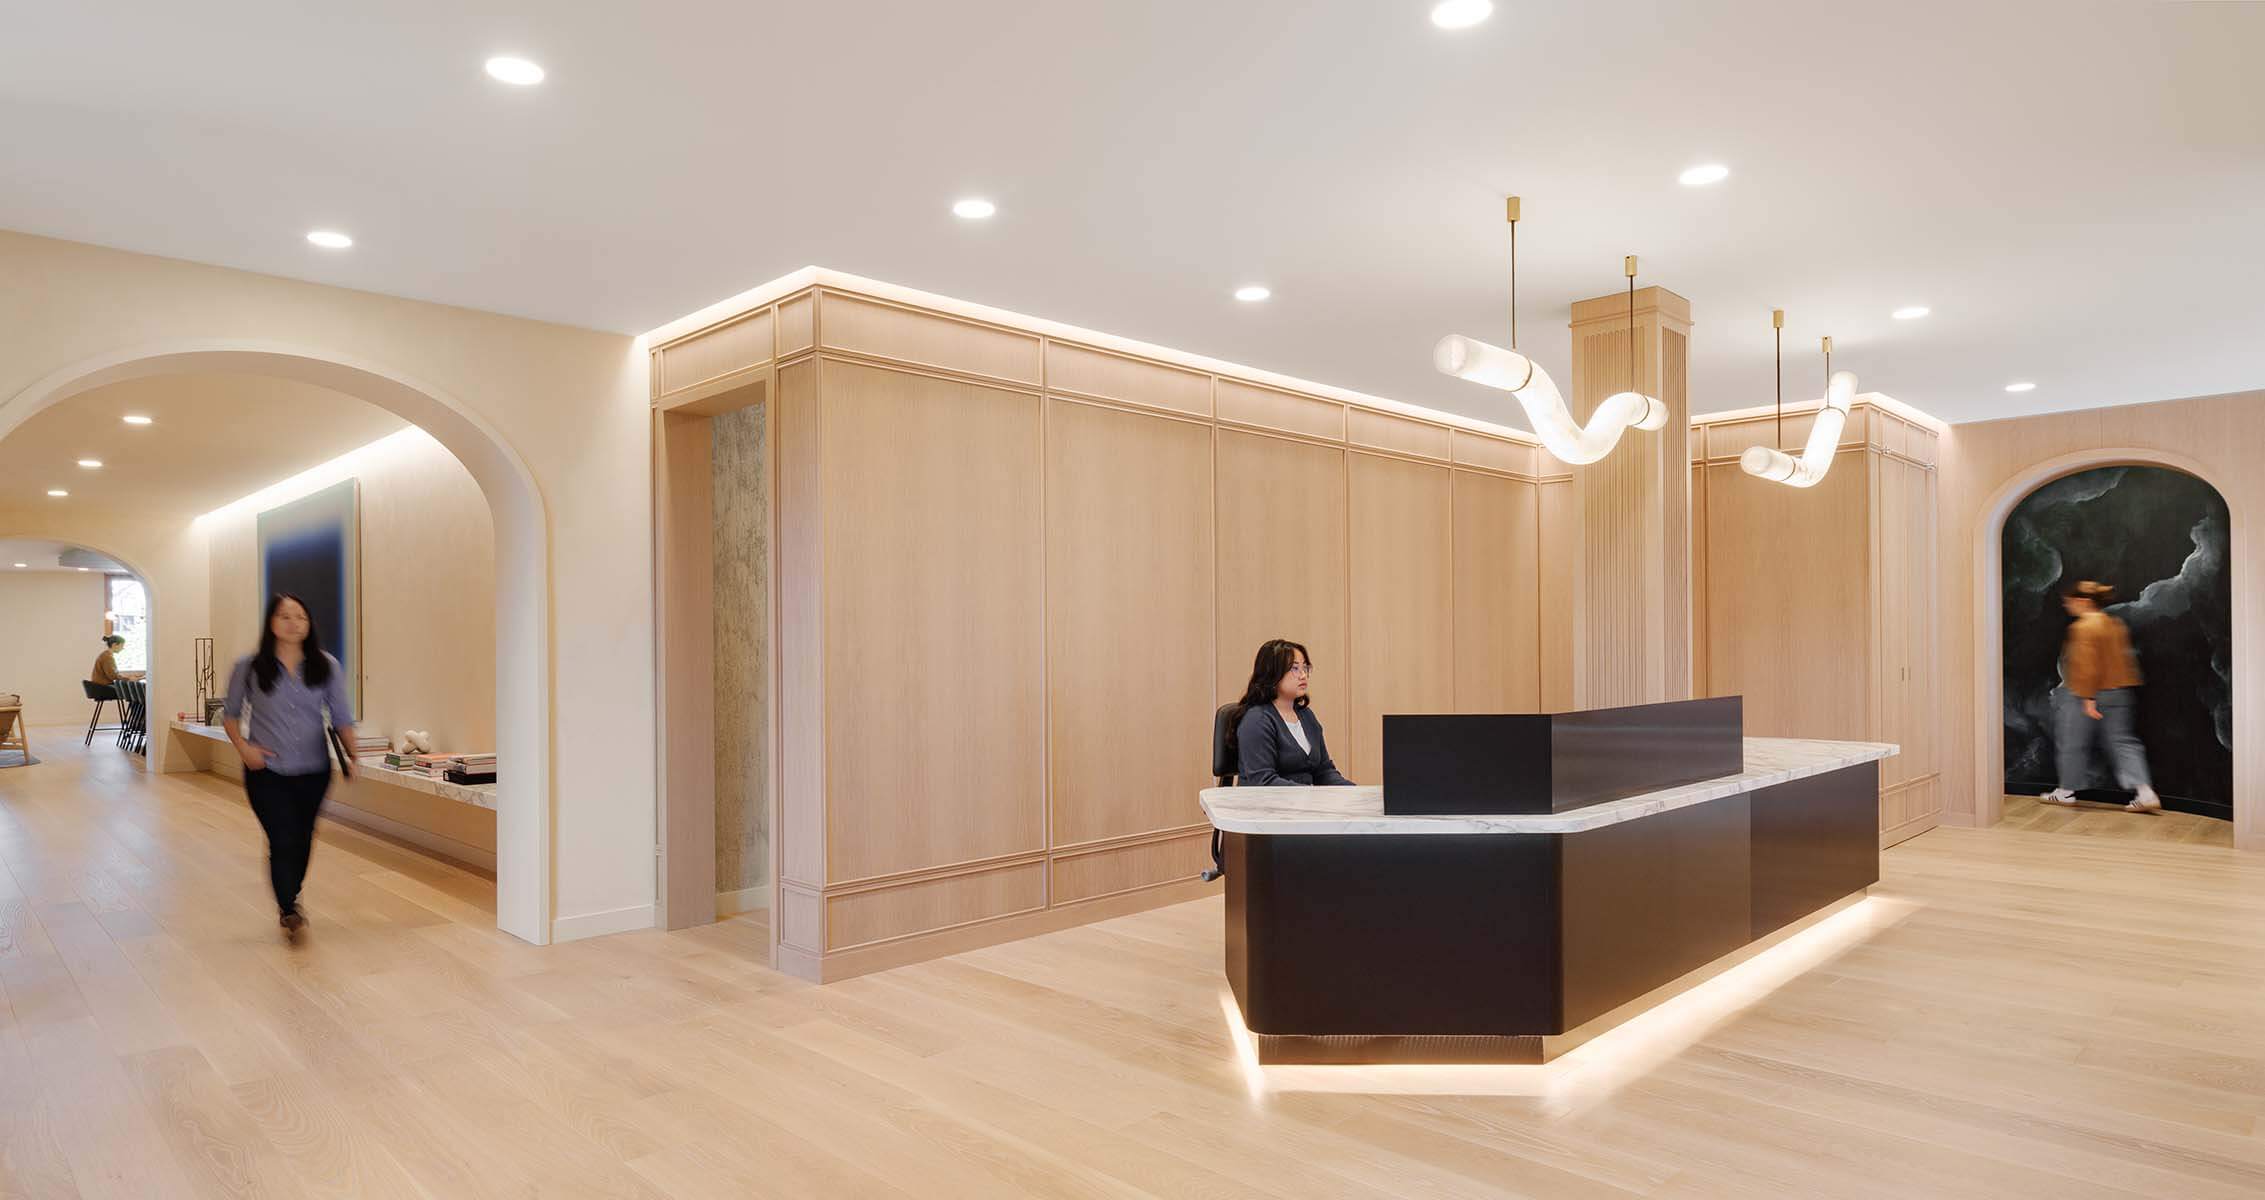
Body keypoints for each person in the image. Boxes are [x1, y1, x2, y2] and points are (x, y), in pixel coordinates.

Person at [221, 594, 357, 938]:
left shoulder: (326, 665)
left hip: (314, 770)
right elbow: (231, 714)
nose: (293, 622)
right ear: (271, 623)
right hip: (266, 771)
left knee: (304, 835)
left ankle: (290, 896)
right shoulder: (249, 666)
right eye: (284, 616)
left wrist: (353, 755)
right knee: (282, 837)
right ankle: (288, 908)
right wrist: (244, 749)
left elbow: (341, 717)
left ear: (309, 624)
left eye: (300, 616)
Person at [2042, 580, 2161, 813]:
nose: (2067, 607)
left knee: (2072, 742)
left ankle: (2066, 791)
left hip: (2085, 694)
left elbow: (2085, 665)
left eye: (2069, 603)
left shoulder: (2083, 627)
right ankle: (2145, 793)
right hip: (2120, 692)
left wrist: (2087, 698)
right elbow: (2126, 660)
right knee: (2123, 743)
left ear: (2083, 601)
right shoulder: (2114, 624)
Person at [1232, 638, 1354, 786]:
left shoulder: (1306, 715)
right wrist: (1312, 797)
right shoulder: (1256, 721)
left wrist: (1352, 791)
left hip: (1304, 805)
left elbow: (1323, 771)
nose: (1303, 675)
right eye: (1295, 668)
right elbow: (1264, 782)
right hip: (1268, 807)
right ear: (1273, 672)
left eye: (1305, 668)